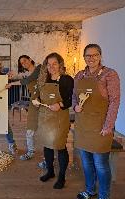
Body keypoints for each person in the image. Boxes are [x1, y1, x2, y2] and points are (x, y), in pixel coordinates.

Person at [73, 44, 120, 199]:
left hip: (101, 127)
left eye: (94, 55)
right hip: (83, 126)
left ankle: (104, 196)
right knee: (86, 162)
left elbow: (114, 102)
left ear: (100, 56)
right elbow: (74, 98)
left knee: (100, 164)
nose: (91, 58)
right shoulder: (79, 75)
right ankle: (90, 190)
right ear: (84, 57)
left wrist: (108, 126)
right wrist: (75, 106)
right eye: (88, 55)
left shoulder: (110, 74)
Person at [33, 52, 73, 189]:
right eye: (49, 64)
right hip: (45, 117)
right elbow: (39, 95)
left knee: (60, 146)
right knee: (47, 145)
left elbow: (70, 100)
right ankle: (50, 171)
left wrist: (60, 105)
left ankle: (62, 177)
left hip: (59, 118)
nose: (52, 67)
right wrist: (37, 100)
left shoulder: (67, 80)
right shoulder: (44, 79)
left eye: (54, 63)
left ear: (60, 64)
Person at [6, 55, 42, 160]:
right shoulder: (27, 74)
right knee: (30, 129)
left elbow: (28, 80)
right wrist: (9, 79)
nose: (24, 63)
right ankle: (30, 151)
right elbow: (25, 81)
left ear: (30, 60)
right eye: (22, 63)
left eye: (25, 61)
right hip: (34, 103)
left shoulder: (39, 68)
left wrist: (12, 83)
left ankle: (50, 157)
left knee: (47, 130)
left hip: (45, 102)